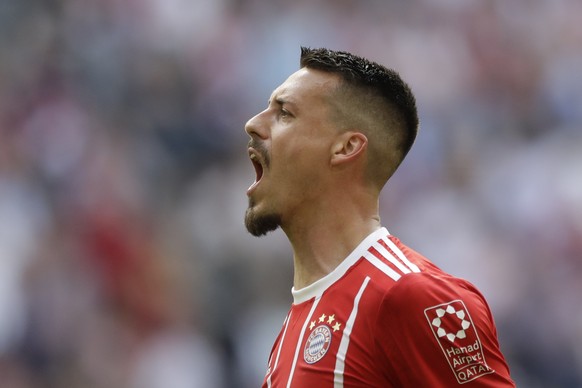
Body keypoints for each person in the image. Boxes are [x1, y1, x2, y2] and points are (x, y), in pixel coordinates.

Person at [243, 47, 515, 387]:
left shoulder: (412, 296)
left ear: (346, 148)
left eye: (284, 114)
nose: (253, 124)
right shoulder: (294, 327)